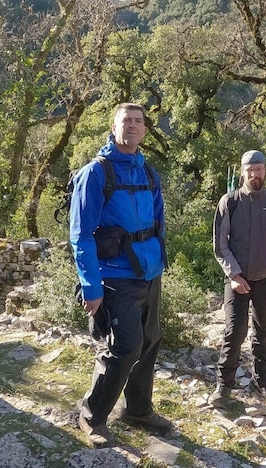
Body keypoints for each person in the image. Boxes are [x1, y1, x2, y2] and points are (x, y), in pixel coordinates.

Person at [70, 103, 171, 448]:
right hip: (115, 275)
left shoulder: (149, 173)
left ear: (144, 130)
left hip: (149, 272)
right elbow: (80, 235)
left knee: (150, 339)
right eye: (125, 121)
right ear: (113, 127)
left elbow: (158, 224)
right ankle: (92, 416)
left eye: (138, 122)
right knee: (125, 348)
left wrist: (159, 263)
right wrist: (91, 286)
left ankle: (138, 410)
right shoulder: (96, 173)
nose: (132, 126)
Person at [210, 150, 266, 407]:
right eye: (250, 170)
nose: (255, 174)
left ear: (265, 170)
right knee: (234, 332)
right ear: (242, 172)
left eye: (259, 169)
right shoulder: (230, 202)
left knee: (263, 331)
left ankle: (263, 382)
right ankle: (223, 387)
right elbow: (219, 244)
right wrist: (234, 274)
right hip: (237, 279)